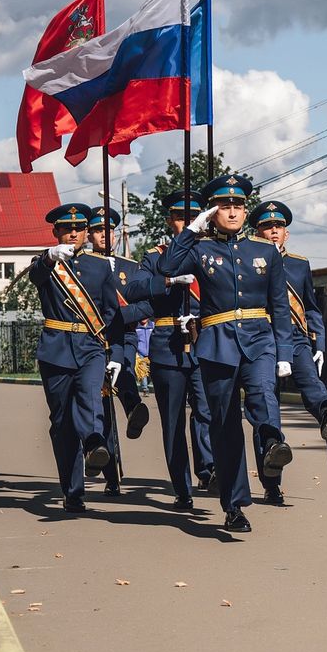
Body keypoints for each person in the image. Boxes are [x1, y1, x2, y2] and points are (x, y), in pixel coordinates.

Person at [156, 175, 293, 534]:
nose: (232, 212)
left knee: (263, 394)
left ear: (246, 210)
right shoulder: (200, 251)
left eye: (238, 205)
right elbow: (166, 269)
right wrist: (191, 232)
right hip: (217, 343)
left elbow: (280, 306)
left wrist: (286, 352)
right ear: (213, 211)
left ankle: (273, 442)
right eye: (224, 206)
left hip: (260, 338)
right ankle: (234, 505)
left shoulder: (264, 251)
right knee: (225, 425)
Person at [247, 201, 327, 504]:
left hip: (296, 337)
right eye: (267, 226)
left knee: (312, 383)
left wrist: (320, 345)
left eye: (278, 226)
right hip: (263, 338)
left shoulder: (299, 264)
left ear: (286, 233)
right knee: (267, 410)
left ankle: (326, 412)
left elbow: (311, 307)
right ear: (258, 232)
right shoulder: (247, 262)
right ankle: (271, 481)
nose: (273, 231)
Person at [124, 191, 215, 508]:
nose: (186, 223)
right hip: (167, 344)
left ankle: (208, 469)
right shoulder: (156, 256)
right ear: (170, 221)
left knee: (208, 411)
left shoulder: (211, 253)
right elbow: (133, 289)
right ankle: (182, 488)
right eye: (180, 218)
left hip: (206, 342)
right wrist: (167, 282)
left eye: (192, 218)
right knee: (174, 420)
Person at [30, 202, 119, 513]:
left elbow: (110, 312)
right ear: (55, 232)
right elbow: (35, 275)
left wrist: (114, 351)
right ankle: (72, 490)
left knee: (89, 394)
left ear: (85, 232)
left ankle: (95, 441)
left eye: (79, 228)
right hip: (56, 349)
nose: (73, 233)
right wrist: (49, 257)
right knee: (62, 422)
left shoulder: (99, 266)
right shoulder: (46, 263)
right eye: (66, 228)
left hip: (90, 346)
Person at [86, 205, 154, 498]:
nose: (105, 235)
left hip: (122, 337)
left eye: (109, 230)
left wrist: (118, 315)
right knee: (101, 410)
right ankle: (111, 472)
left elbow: (147, 305)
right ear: (90, 235)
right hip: (94, 341)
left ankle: (132, 407)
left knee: (124, 371)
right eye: (99, 230)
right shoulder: (83, 266)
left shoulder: (130, 267)